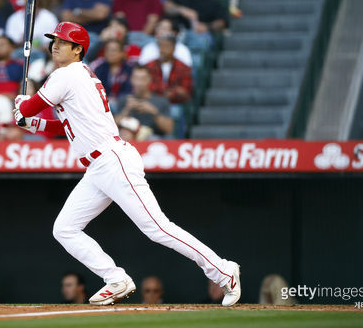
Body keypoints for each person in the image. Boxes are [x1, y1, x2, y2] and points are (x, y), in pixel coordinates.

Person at [13, 21, 241, 307]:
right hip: (99, 167)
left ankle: (223, 270)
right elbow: (68, 125)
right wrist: (33, 122)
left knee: (158, 228)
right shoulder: (77, 75)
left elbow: (30, 106)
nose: (55, 45)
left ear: (78, 49)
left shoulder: (67, 74)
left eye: (62, 41)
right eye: (53, 40)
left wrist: (24, 106)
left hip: (112, 161)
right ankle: (115, 278)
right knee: (65, 228)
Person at [115, 65, 172, 137]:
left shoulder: (161, 101)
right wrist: (126, 110)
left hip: (152, 139)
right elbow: (112, 128)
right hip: (129, 137)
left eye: (143, 79)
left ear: (149, 79)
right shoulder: (124, 100)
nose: (139, 83)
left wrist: (154, 112)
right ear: (131, 79)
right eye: (136, 78)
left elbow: (169, 130)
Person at [145, 34, 193, 104]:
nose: (163, 49)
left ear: (174, 48)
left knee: (175, 111)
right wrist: (166, 92)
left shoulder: (183, 67)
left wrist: (171, 93)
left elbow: (185, 90)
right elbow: (146, 85)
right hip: (153, 102)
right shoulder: (150, 65)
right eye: (160, 46)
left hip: (174, 102)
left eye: (166, 46)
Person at [89, 39, 133, 106]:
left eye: (114, 50)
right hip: (101, 103)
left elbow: (129, 91)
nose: (110, 53)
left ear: (122, 53)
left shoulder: (129, 69)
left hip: (123, 104)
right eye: (107, 50)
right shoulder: (99, 67)